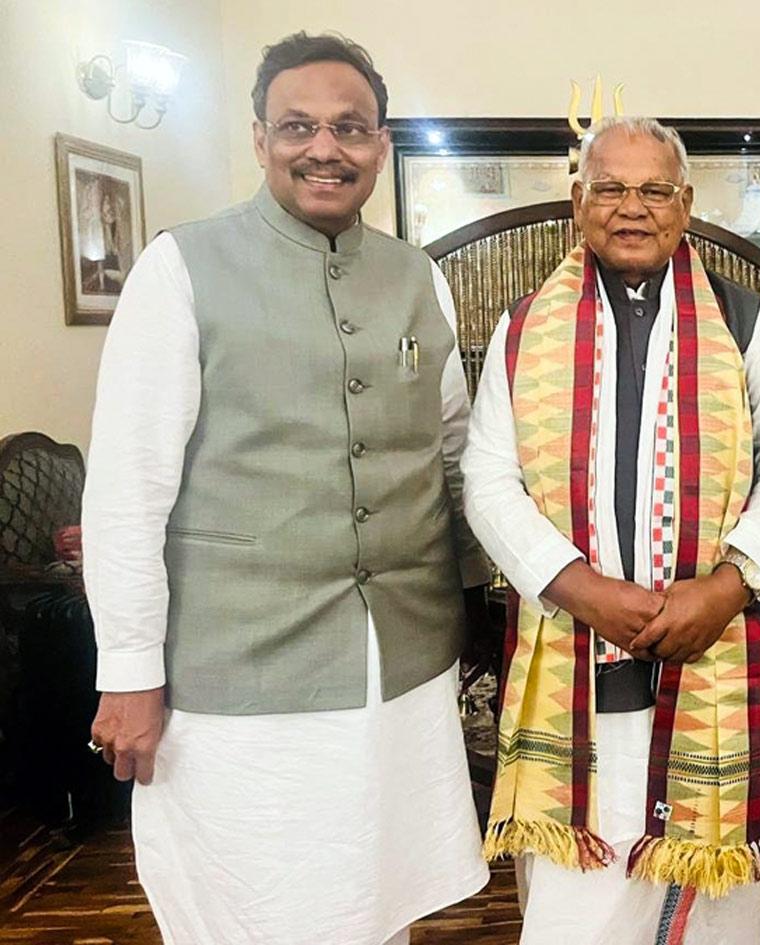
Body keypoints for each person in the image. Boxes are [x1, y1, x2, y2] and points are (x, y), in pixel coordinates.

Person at [82, 32, 490, 945]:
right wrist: (129, 671)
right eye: (299, 126)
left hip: (401, 658)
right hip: (239, 666)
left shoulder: (419, 278)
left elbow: (452, 452)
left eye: (350, 127)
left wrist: (480, 603)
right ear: (260, 137)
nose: (325, 148)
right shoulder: (181, 267)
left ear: (381, 144)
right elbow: (127, 491)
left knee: (380, 892)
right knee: (252, 904)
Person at [461, 116, 760, 945]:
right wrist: (577, 587)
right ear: (577, 201)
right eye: (611, 188)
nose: (633, 206)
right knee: (581, 895)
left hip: (721, 641)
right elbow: (486, 475)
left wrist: (727, 586)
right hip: (575, 648)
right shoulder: (524, 327)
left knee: (725, 899)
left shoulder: (742, 320)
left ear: (686, 203)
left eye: (655, 189)